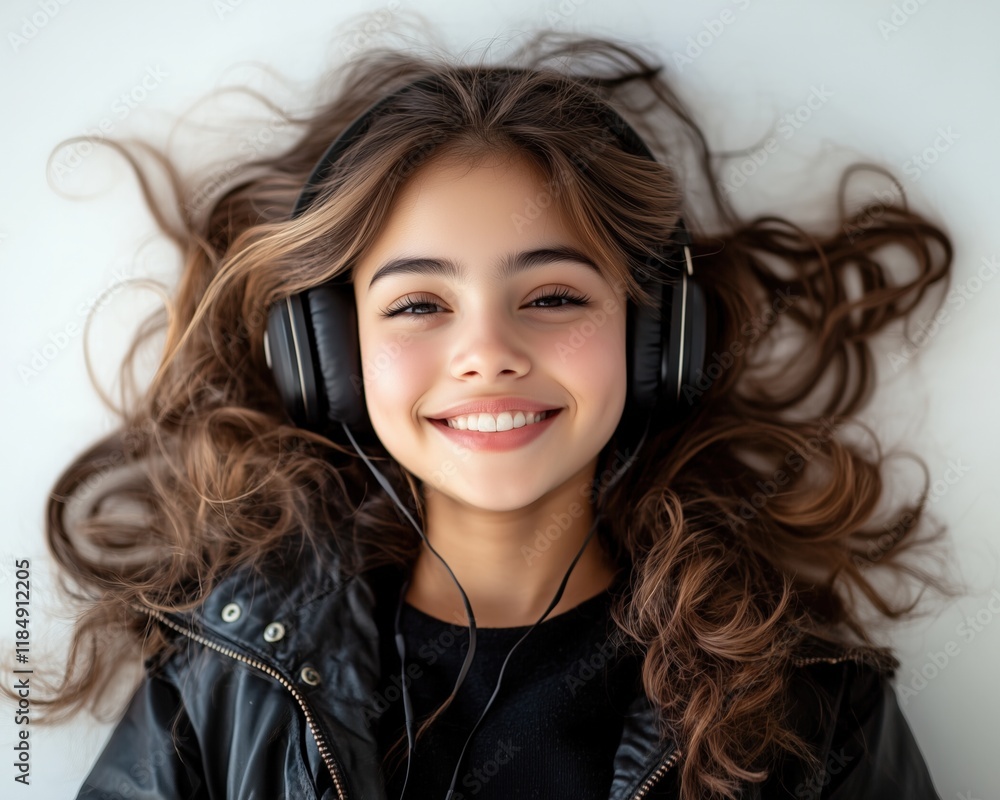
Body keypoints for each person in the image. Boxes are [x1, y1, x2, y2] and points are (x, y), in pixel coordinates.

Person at [21, 29, 956, 800]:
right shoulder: (218, 686)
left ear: (656, 343)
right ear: (328, 361)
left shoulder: (814, 707)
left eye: (551, 297)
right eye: (419, 305)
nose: (487, 352)